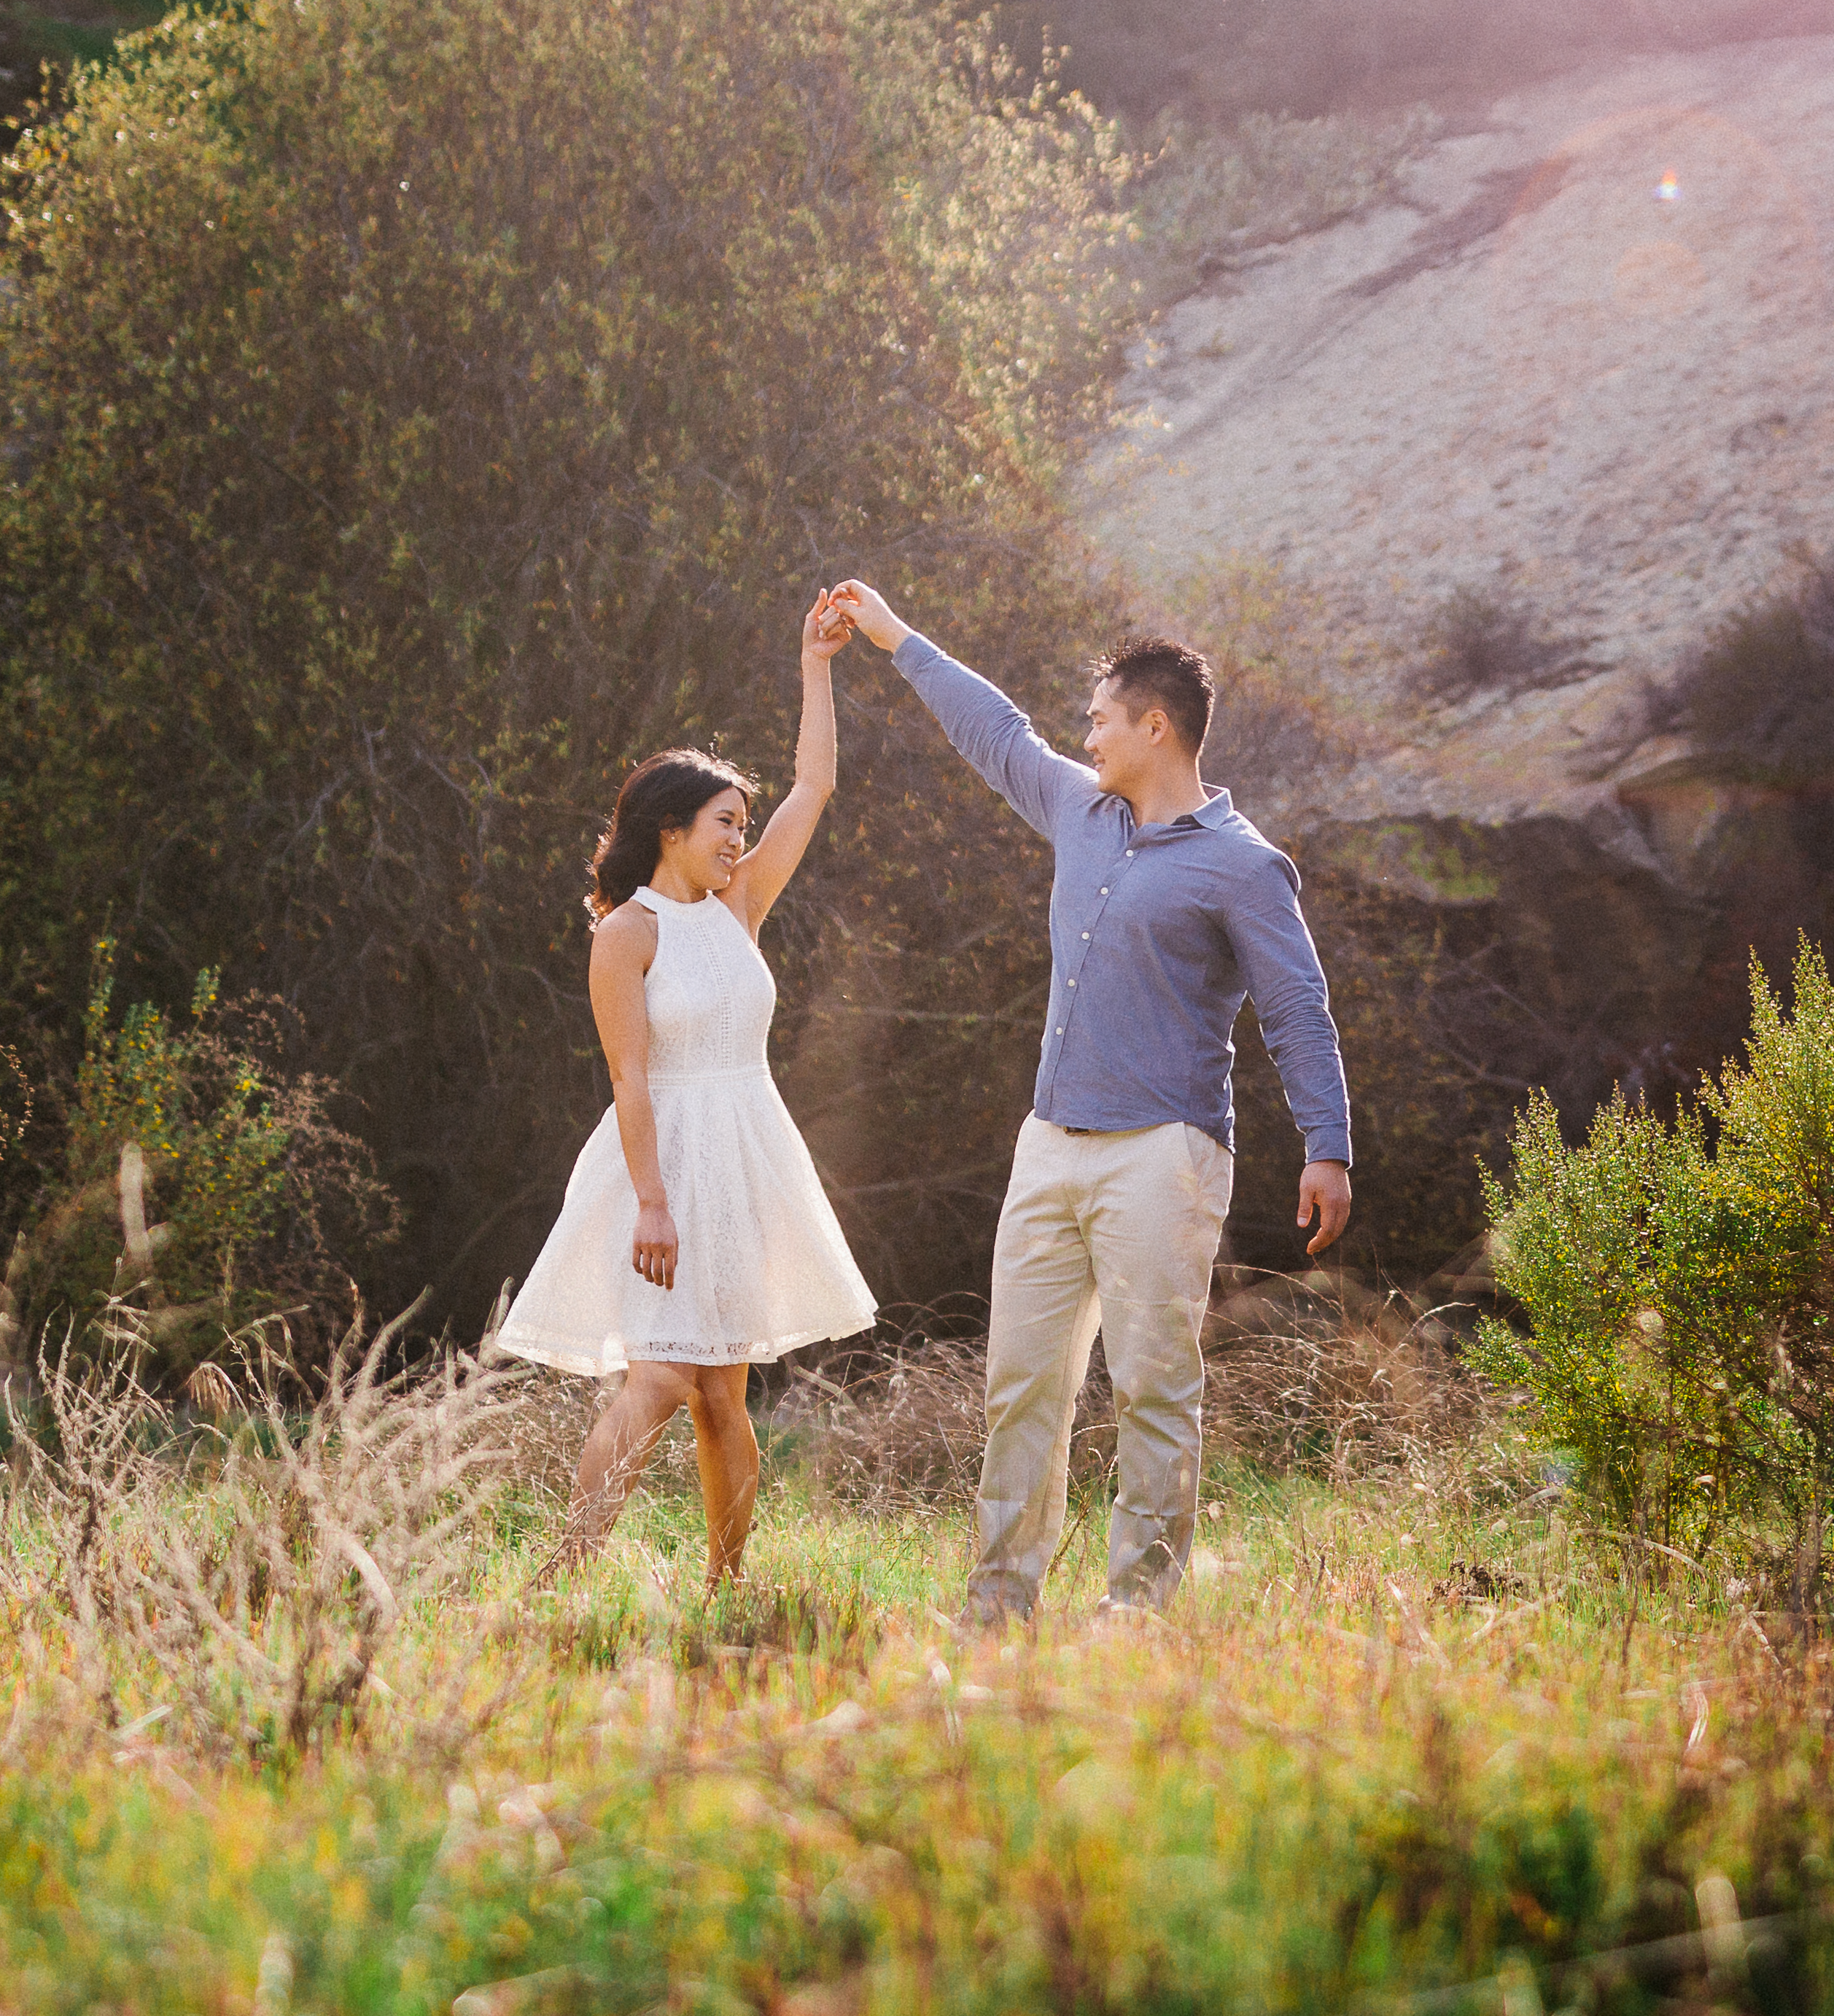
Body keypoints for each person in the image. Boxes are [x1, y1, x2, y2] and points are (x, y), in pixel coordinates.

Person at [826, 579, 1352, 1627]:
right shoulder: (1080, 808)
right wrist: (893, 637)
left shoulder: (1245, 869)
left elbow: (1299, 1009)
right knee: (1022, 1388)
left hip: (1165, 1154)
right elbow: (996, 729)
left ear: (1156, 727)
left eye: (1103, 719)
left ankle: (1137, 1616)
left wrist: (1326, 1144)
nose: (1088, 736)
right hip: (1050, 1147)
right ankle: (997, 1610)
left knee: (1154, 1392)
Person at [494, 589, 879, 1584]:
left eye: (743, 825)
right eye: (723, 822)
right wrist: (653, 1206)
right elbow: (630, 1079)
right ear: (670, 829)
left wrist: (816, 664)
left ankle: (726, 1588)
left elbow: (817, 784)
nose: (739, 840)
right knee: (659, 1374)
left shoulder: (740, 905)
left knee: (722, 1397)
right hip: (658, 1174)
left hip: (744, 1162)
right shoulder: (627, 934)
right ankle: (563, 1574)